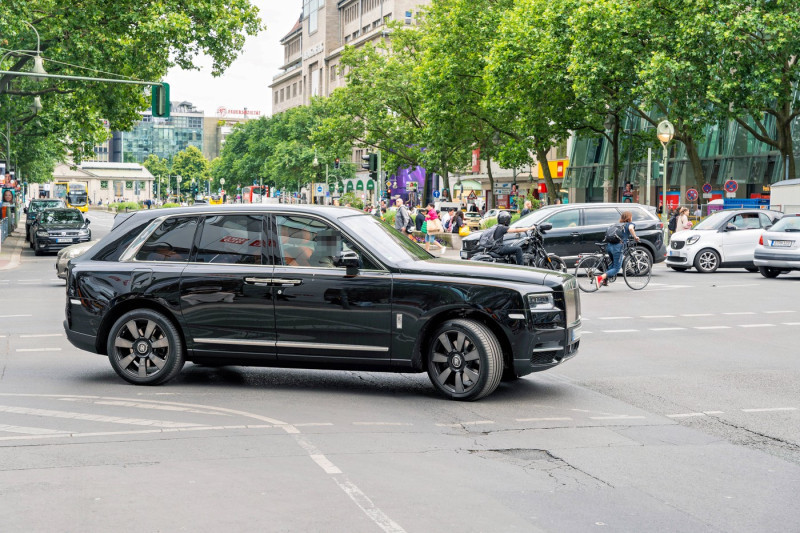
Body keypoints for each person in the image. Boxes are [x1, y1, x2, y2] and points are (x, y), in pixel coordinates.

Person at [596, 211, 640, 288]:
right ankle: (600, 278)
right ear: (629, 218)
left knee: (613, 264)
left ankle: (605, 280)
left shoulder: (616, 224)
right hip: (618, 247)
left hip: (610, 246)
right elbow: (630, 228)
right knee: (616, 268)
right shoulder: (630, 224)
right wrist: (635, 237)